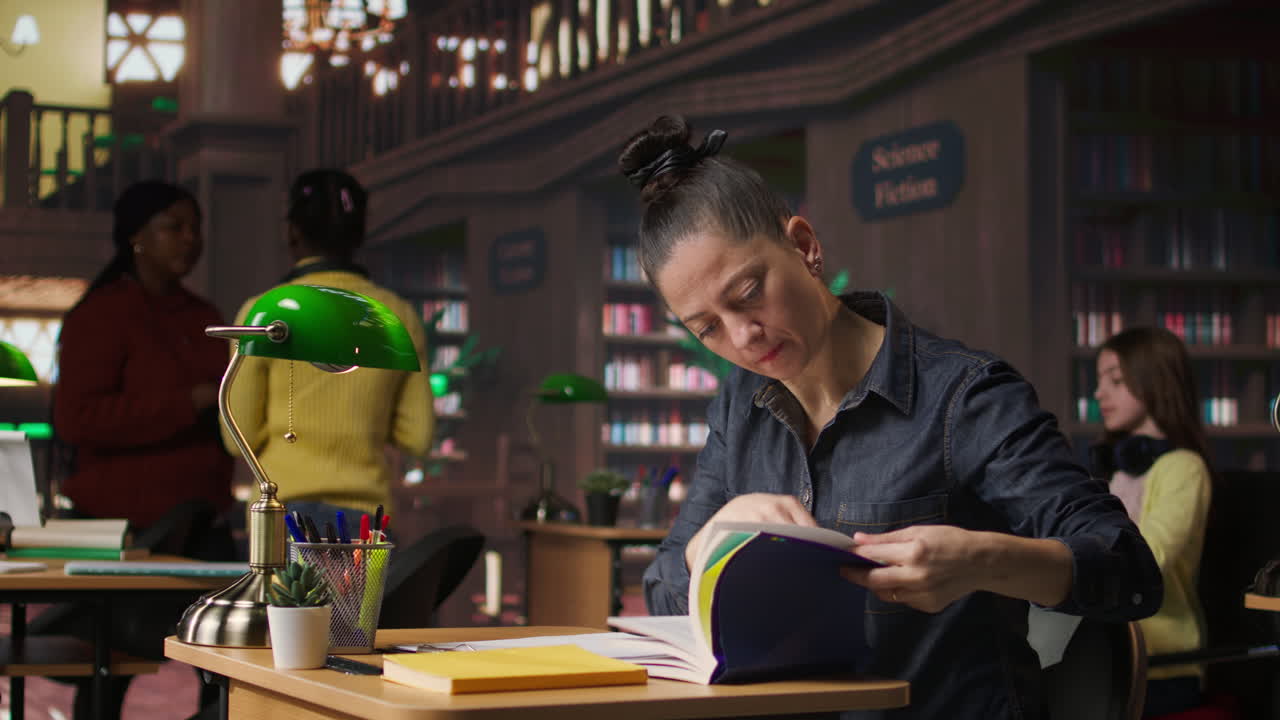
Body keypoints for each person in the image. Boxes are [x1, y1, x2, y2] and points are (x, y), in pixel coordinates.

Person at [621, 115, 1162, 719]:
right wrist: (710, 541)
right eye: (707, 328)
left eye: (749, 293)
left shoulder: (964, 396)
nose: (743, 337)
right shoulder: (740, 408)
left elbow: (1129, 570)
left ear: (803, 246)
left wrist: (982, 560)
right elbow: (663, 591)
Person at [47, 180, 235, 720]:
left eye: (195, 228)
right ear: (137, 238)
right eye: (173, 227)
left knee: (228, 665)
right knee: (111, 672)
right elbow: (78, 419)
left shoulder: (205, 315)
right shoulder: (102, 315)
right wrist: (187, 402)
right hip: (125, 531)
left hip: (201, 524)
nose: (189, 239)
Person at [222, 168, 433, 540]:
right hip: (365, 523)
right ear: (360, 232)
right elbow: (418, 437)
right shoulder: (397, 315)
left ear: (292, 232)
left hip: (279, 516)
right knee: (356, 604)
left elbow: (236, 435)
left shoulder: (264, 312)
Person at [1091, 327, 1212, 717]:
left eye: (1116, 380)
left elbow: (1148, 555)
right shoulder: (1116, 468)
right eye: (1099, 381)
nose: (1099, 394)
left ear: (1154, 381)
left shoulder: (1184, 467)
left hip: (1163, 662)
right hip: (1112, 650)